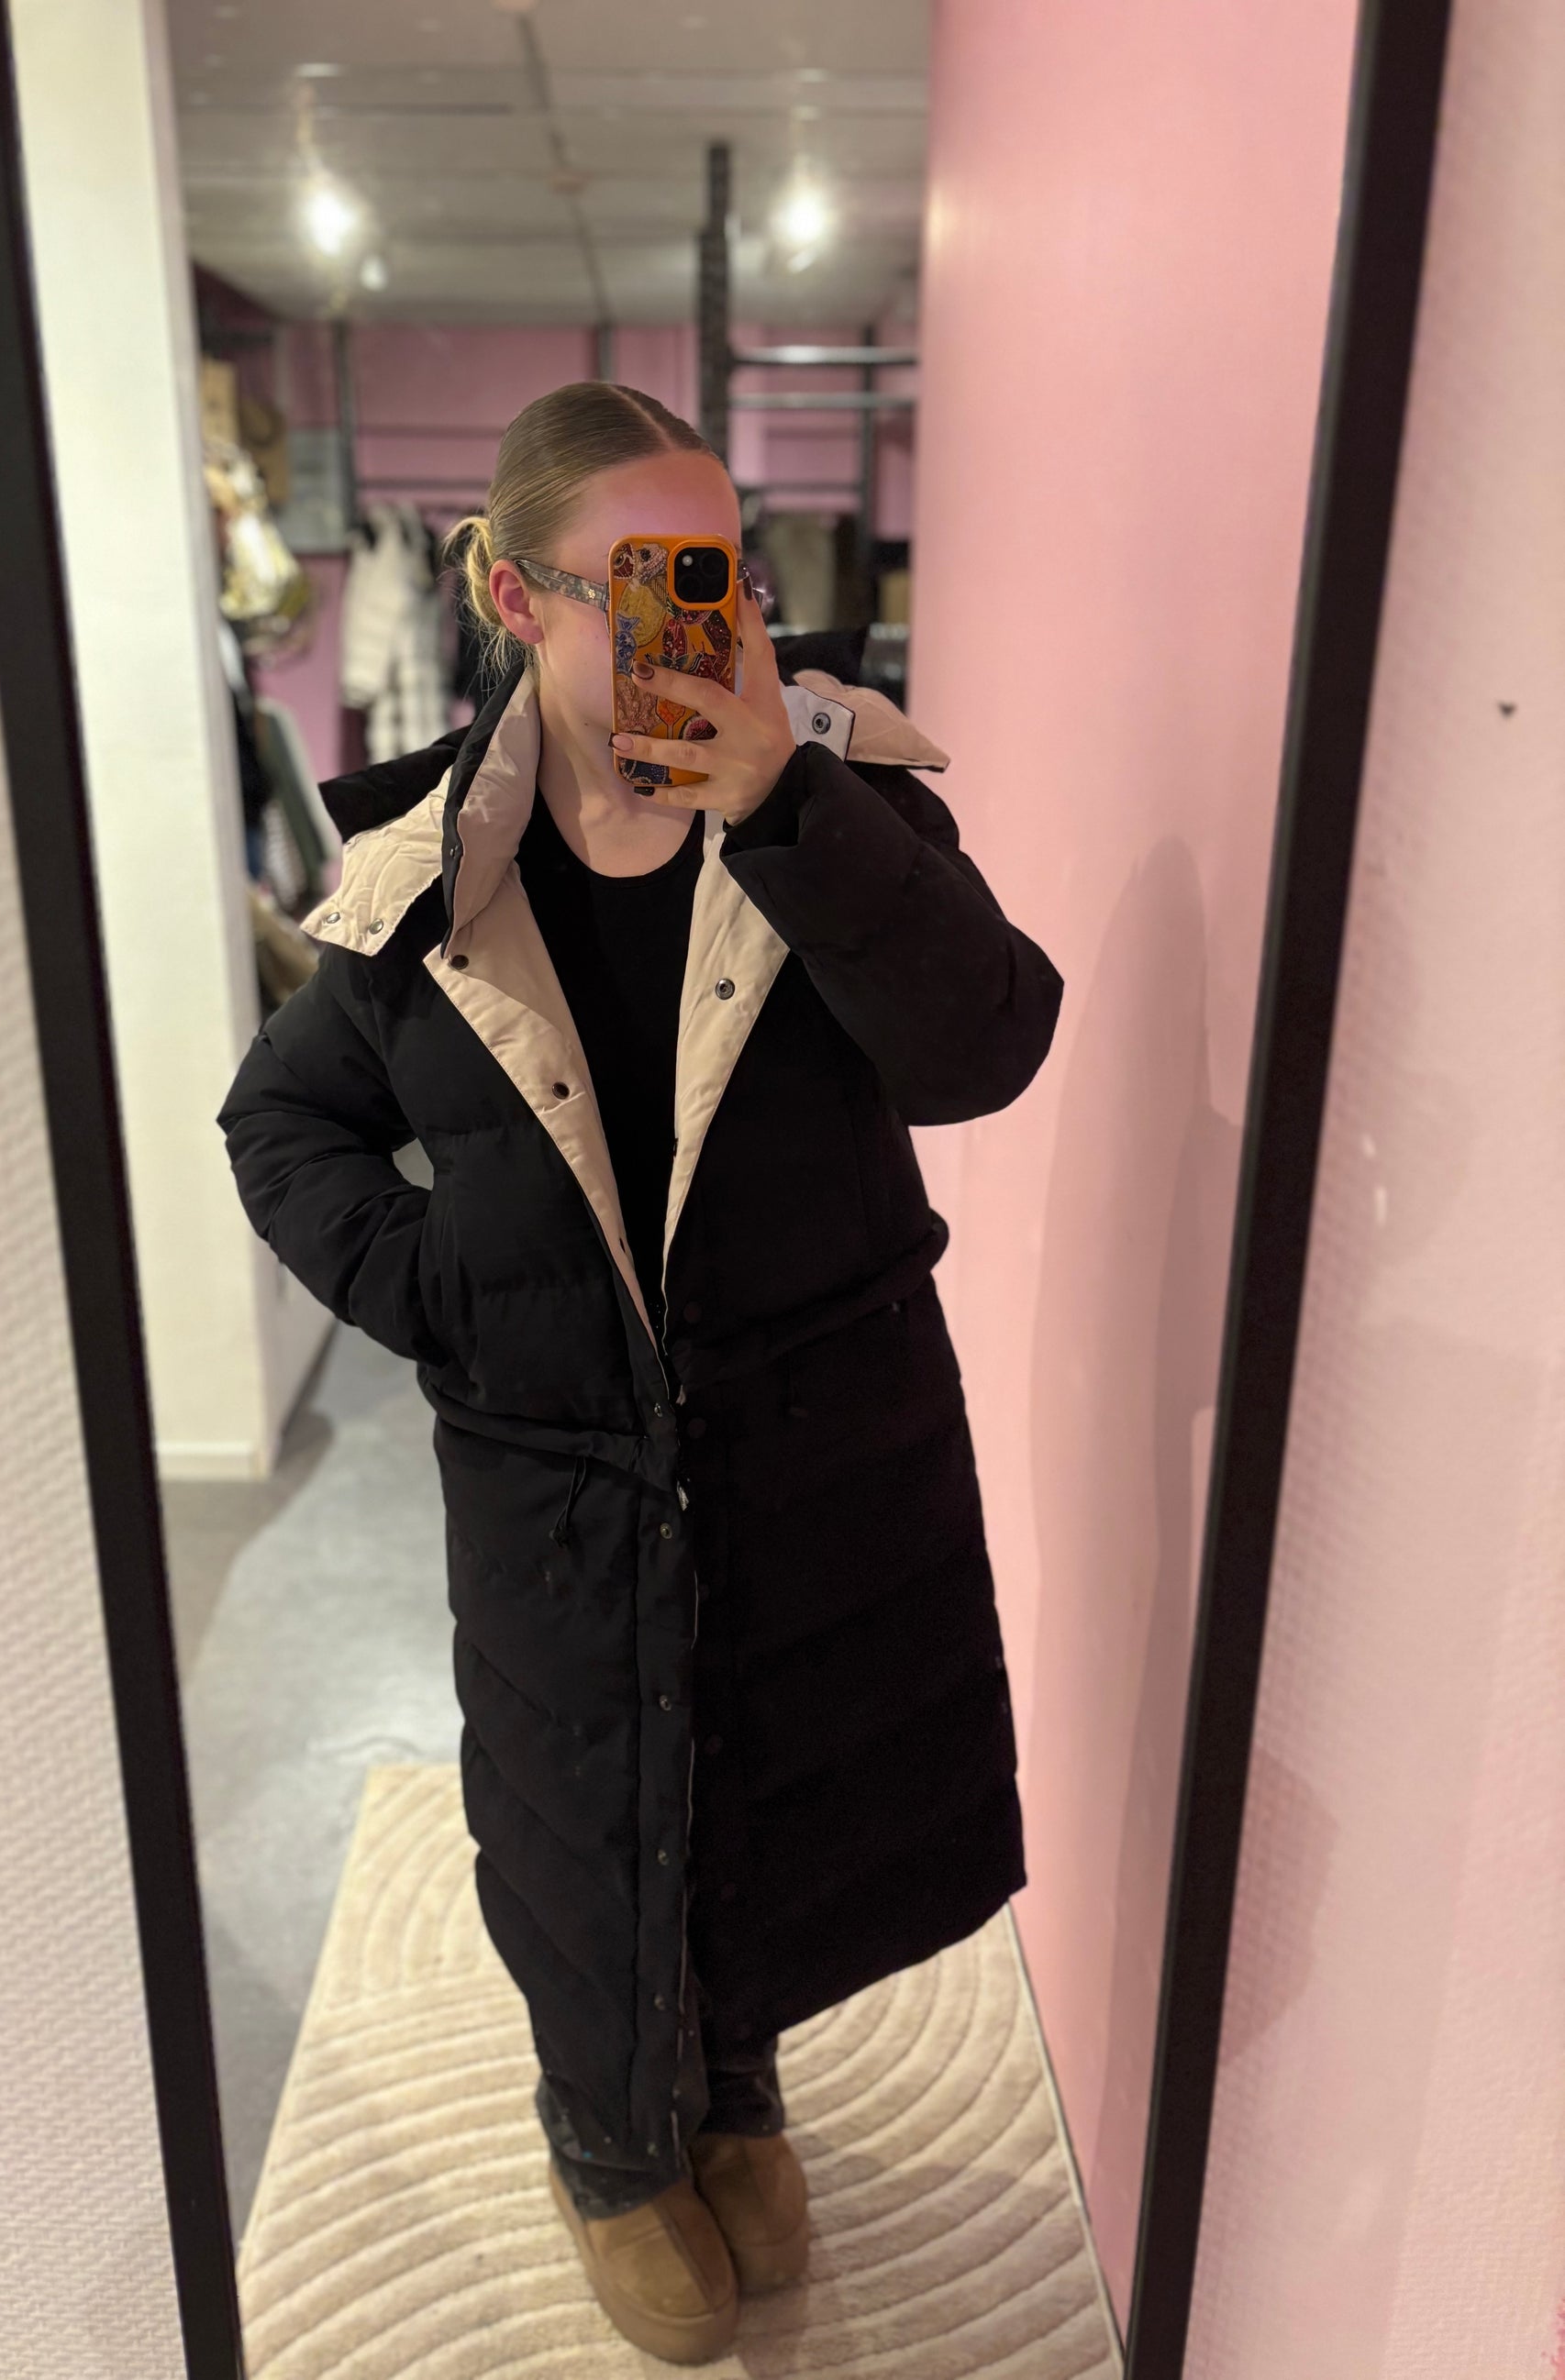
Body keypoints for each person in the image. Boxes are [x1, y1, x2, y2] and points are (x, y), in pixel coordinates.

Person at [216, 381, 1063, 2364]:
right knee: (582, 1803)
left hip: (815, 1435)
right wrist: (441, 1289)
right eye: (648, 580)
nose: (711, 615)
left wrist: (782, 806)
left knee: (777, 1773)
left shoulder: (839, 796)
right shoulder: (429, 874)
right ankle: (606, 2140)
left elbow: (983, 1049)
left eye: (727, 572)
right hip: (555, 1465)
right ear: (516, 597)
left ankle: (736, 2084)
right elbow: (284, 1121)